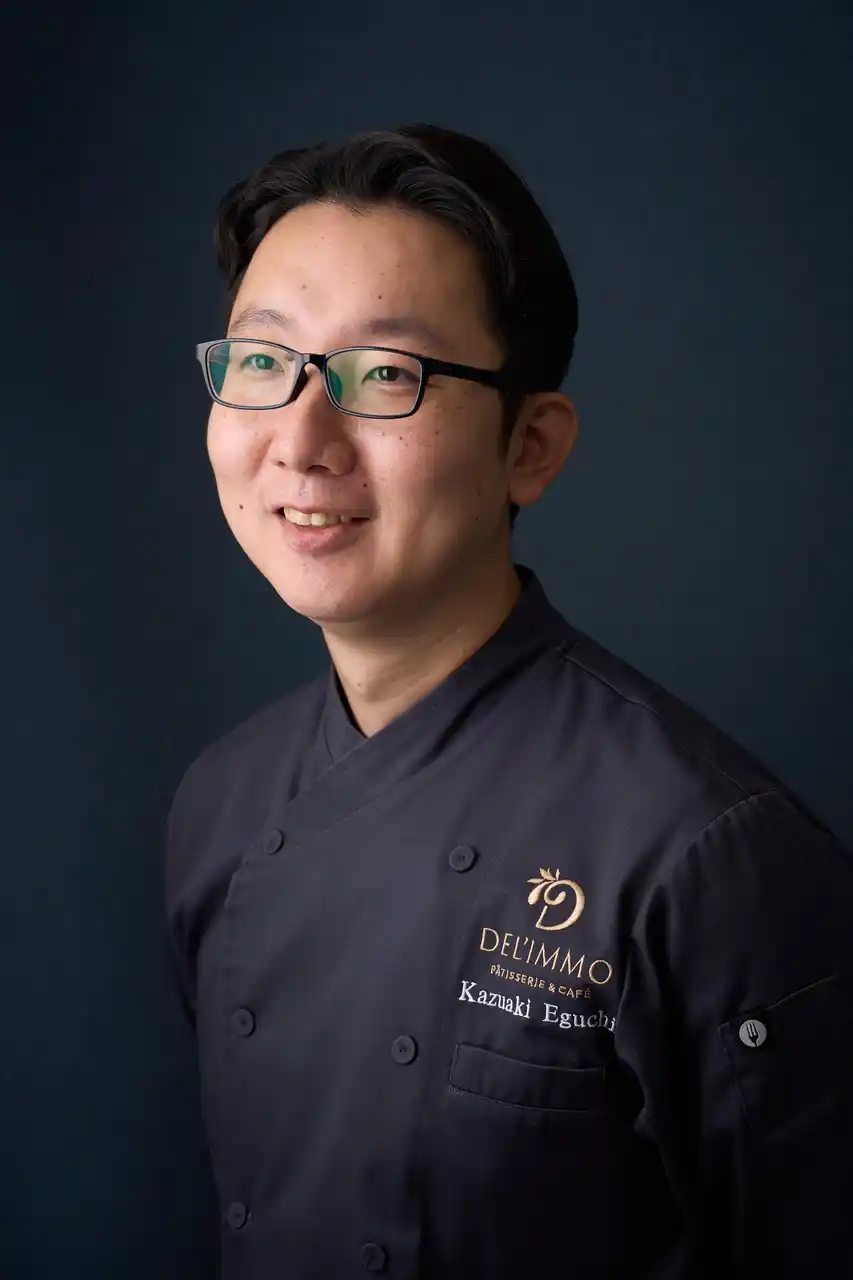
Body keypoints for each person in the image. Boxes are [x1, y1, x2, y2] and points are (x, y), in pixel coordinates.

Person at [165, 122, 853, 1280]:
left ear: (530, 444)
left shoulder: (707, 855)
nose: (301, 440)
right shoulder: (217, 803)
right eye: (261, 361)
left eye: (385, 374)